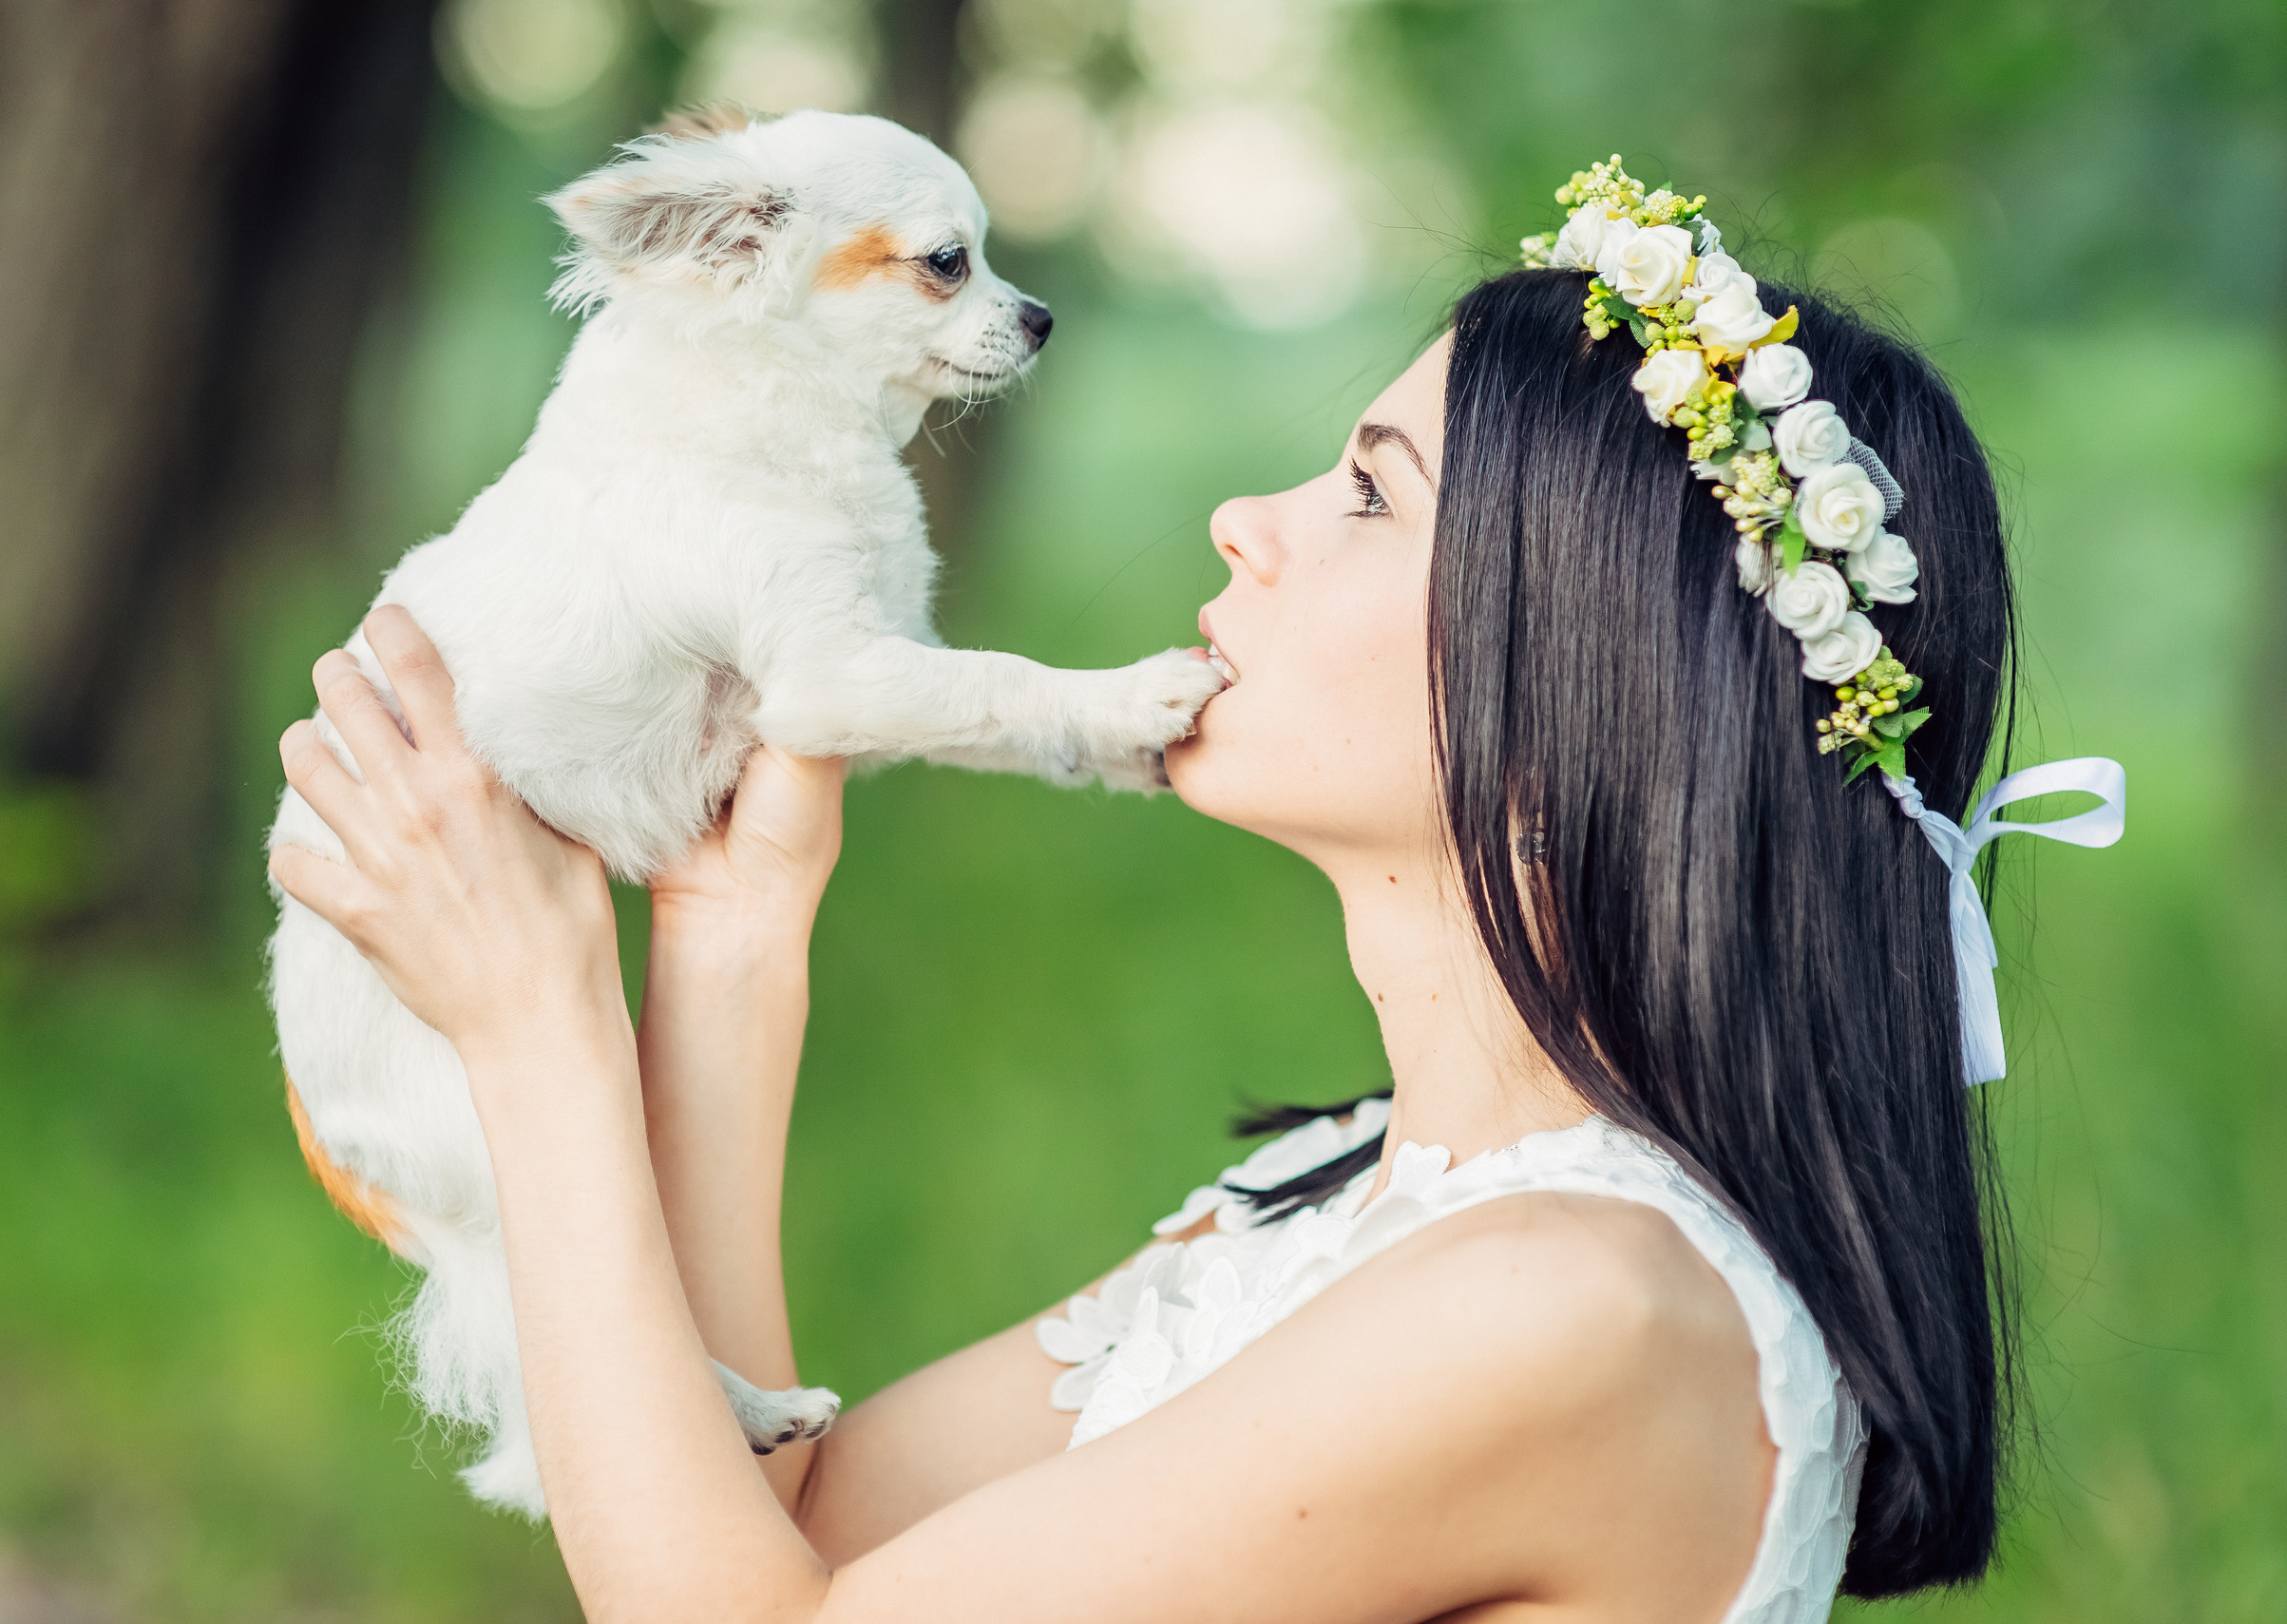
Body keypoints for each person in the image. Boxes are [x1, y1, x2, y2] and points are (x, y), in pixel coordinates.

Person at [270, 164, 2126, 1621]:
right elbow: (774, 1537)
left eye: (1368, 495)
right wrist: (733, 943)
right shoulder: (1326, 1209)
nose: (1248, 517)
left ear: (1590, 676)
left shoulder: (1572, 1301)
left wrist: (537, 1038)